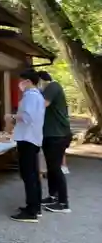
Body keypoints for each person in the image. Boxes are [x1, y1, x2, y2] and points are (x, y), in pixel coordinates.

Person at [5, 70, 45, 223]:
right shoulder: (38, 96)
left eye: (21, 81)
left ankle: (31, 211)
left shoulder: (31, 96)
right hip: (32, 138)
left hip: (27, 139)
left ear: (28, 81)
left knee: (28, 175)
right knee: (33, 174)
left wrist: (12, 117)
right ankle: (35, 206)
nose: (19, 84)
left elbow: (27, 117)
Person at [38, 71, 72, 213]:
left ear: (41, 80)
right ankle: (53, 196)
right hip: (50, 135)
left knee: (56, 168)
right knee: (52, 168)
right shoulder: (47, 89)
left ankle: (63, 204)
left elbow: (42, 105)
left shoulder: (52, 86)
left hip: (58, 135)